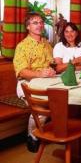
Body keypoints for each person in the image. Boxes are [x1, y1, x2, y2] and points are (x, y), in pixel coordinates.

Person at [13, 12, 56, 153]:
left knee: (64, 99)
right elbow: (21, 71)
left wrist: (52, 70)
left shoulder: (46, 44)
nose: (39, 25)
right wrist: (39, 74)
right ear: (28, 27)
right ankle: (32, 136)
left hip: (46, 82)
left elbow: (52, 63)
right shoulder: (22, 46)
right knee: (41, 109)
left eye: (41, 22)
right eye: (35, 22)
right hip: (26, 84)